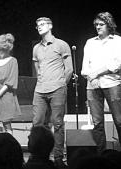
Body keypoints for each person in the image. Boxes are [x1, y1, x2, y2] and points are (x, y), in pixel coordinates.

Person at [32, 17, 73, 169]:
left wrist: (61, 84)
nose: (39, 27)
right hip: (40, 90)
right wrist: (42, 81)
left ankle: (58, 157)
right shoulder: (36, 48)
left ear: (50, 26)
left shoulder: (61, 44)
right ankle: (38, 157)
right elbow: (38, 69)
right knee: (37, 123)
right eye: (37, 25)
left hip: (57, 89)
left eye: (42, 24)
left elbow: (69, 69)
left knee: (57, 123)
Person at [81, 12, 121, 154]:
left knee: (119, 120)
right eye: (96, 24)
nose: (98, 27)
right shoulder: (90, 42)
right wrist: (93, 78)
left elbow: (116, 64)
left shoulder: (117, 41)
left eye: (101, 24)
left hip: (112, 84)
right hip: (92, 86)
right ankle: (101, 154)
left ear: (109, 25)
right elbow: (85, 68)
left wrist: (97, 73)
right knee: (97, 123)